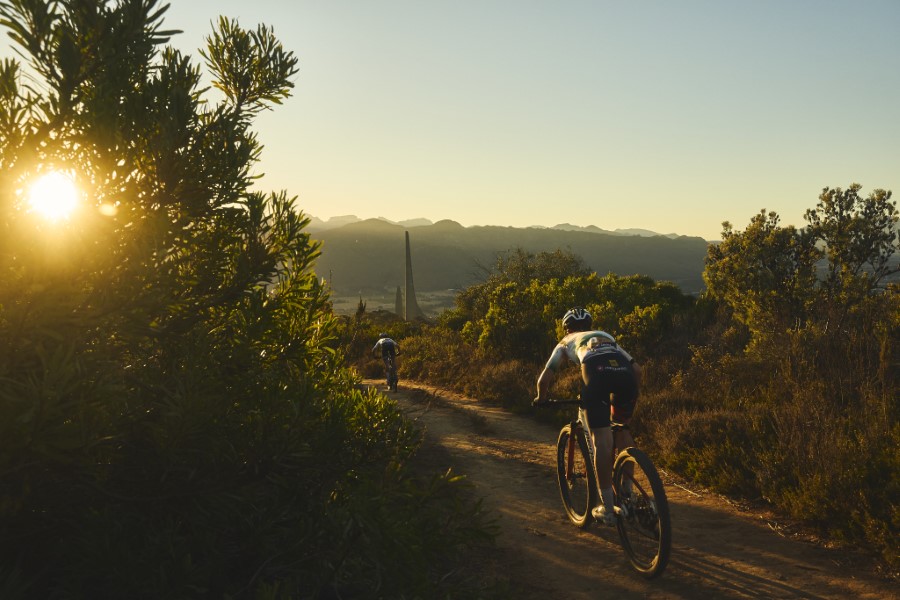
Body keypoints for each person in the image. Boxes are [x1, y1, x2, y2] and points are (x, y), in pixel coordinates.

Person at [533, 308, 642, 526]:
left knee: (600, 440)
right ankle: (628, 493)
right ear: (590, 324)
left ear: (567, 328)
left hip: (596, 373)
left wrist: (540, 398)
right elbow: (637, 369)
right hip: (625, 376)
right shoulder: (606, 336)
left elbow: (543, 380)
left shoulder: (566, 341)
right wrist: (629, 398)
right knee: (622, 430)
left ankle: (608, 509)